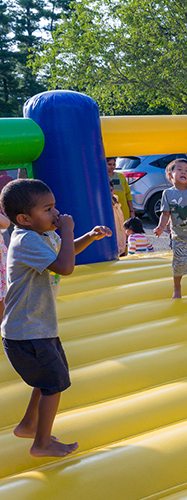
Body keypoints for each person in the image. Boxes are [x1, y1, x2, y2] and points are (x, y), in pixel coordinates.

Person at [1, 179, 111, 457]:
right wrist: (67, 228)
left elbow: (65, 252)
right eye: (48, 209)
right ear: (24, 219)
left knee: (46, 379)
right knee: (55, 384)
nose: (56, 213)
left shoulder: (42, 235)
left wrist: (87, 237)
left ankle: (28, 424)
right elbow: (64, 267)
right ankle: (41, 443)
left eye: (54, 207)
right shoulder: (25, 240)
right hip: (27, 332)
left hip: (39, 328)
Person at [154, 158, 187, 299]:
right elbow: (165, 213)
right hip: (179, 236)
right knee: (179, 263)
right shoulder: (168, 194)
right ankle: (177, 288)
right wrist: (160, 227)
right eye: (179, 169)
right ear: (170, 175)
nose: (184, 172)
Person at [110, 181, 127, 257]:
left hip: (121, 241)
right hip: (112, 245)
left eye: (111, 190)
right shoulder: (101, 204)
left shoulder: (116, 200)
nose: (110, 193)